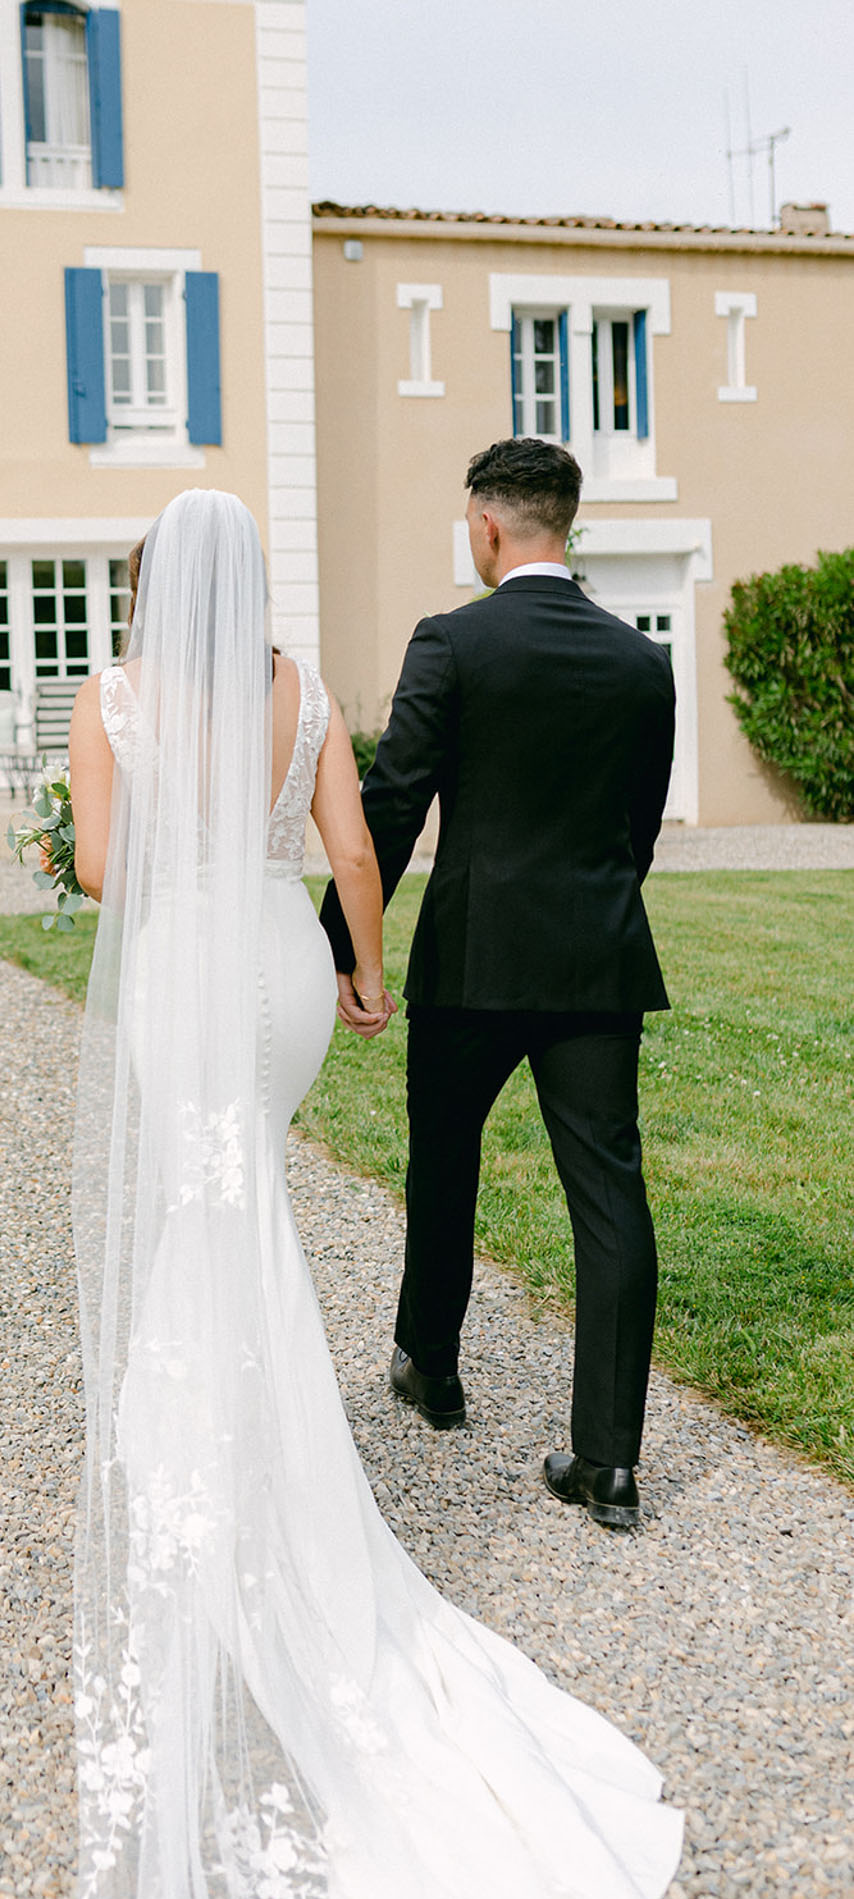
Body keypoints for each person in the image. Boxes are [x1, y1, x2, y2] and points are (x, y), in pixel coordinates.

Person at [62, 488, 757, 1899]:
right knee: (263, 1198)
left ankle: (211, 1423)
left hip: (186, 963)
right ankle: (312, 1430)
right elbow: (355, 849)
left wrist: (150, 853)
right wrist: (357, 968)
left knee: (201, 1194)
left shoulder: (109, 696)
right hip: (280, 969)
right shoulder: (299, 685)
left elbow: (103, 875)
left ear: (146, 586)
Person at [321, 438, 675, 1532]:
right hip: (596, 961)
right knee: (608, 1192)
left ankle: (432, 1367)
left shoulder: (453, 642)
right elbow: (638, 827)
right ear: (564, 525)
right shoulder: (640, 659)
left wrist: (337, 943)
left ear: (486, 525)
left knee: (444, 1155)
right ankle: (610, 1462)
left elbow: (388, 806)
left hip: (472, 961)